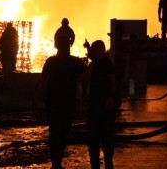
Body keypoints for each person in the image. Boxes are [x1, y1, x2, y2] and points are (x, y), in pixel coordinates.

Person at [36, 34, 86, 169]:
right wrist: (86, 95)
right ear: (69, 46)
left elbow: (43, 81)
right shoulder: (75, 62)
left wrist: (38, 99)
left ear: (56, 46)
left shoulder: (51, 61)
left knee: (54, 131)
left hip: (53, 101)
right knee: (64, 131)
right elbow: (85, 79)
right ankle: (57, 160)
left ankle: (55, 161)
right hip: (68, 101)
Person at [85, 40, 118, 169]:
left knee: (106, 134)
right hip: (95, 105)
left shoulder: (107, 66)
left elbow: (112, 81)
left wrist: (110, 97)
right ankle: (97, 158)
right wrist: (88, 48)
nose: (93, 54)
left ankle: (106, 158)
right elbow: (92, 56)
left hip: (103, 106)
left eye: (94, 50)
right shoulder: (99, 63)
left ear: (100, 50)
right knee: (95, 134)